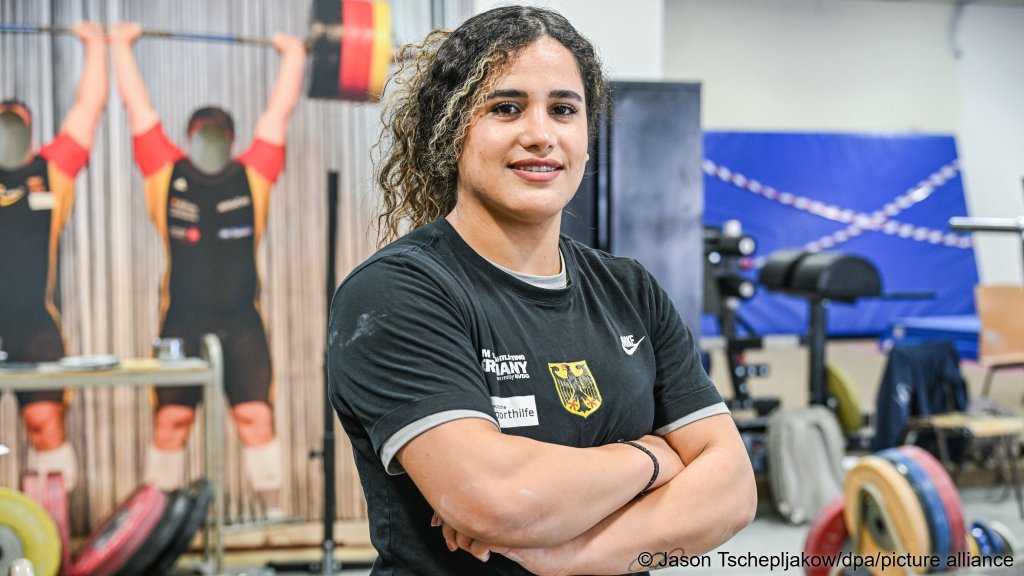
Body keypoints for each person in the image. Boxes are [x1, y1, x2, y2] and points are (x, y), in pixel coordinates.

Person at [328, 5, 756, 575]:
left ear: (585, 136)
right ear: (450, 130)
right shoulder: (398, 291)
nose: (540, 135)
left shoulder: (629, 289)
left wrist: (573, 556)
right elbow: (492, 497)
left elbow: (732, 489)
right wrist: (652, 457)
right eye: (507, 108)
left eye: (563, 110)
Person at [108, 22, 305, 515]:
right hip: (182, 319)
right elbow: (139, 110)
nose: (210, 143)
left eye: (219, 135)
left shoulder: (254, 175)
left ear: (232, 139)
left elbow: (277, 114)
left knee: (255, 419)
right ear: (190, 138)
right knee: (171, 420)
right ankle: (156, 522)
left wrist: (294, 56)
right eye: (202, 135)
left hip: (242, 323)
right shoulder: (164, 173)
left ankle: (273, 520)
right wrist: (119, 46)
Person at [0, 22, 108, 492]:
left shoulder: (52, 169)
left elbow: (88, 109)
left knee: (45, 425)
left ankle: (51, 549)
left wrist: (95, 45)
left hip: (34, 325)